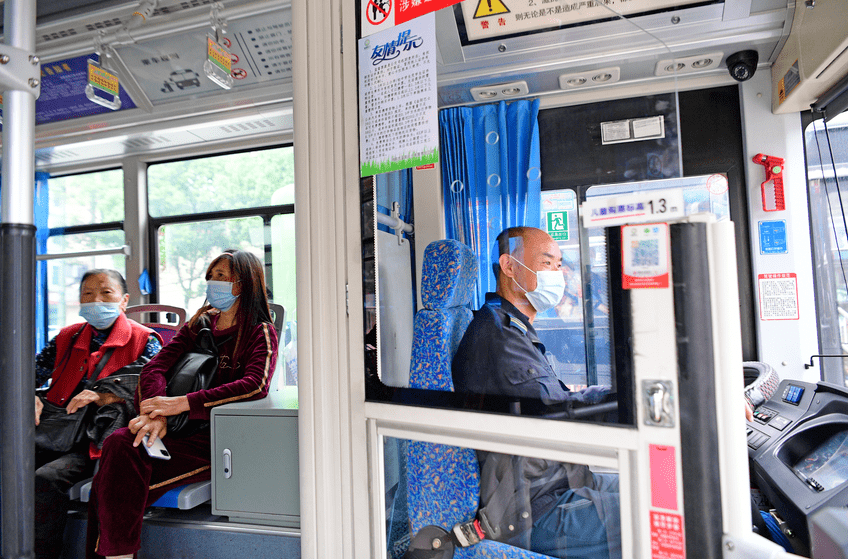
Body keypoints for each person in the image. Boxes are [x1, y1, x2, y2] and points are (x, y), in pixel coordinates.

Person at [86, 250, 278, 559]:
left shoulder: (260, 332)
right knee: (119, 443)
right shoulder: (199, 324)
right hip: (174, 427)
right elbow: (155, 368)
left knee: (108, 484)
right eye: (211, 276)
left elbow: (255, 384)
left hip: (215, 438)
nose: (212, 283)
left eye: (222, 277)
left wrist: (183, 404)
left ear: (244, 284)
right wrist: (155, 413)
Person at [452, 226, 619, 559]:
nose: (558, 274)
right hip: (533, 507)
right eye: (547, 263)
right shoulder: (497, 338)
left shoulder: (514, 329)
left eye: (559, 265)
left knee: (666, 485)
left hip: (554, 481)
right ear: (510, 266)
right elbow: (560, 412)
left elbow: (558, 403)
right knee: (672, 513)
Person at [34, 269, 163, 559]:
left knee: (44, 478)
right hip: (55, 429)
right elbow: (27, 375)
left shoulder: (146, 340)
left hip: (97, 439)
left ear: (124, 300)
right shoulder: (66, 338)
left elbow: (152, 388)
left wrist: (105, 394)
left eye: (106, 293)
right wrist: (30, 396)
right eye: (87, 294)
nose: (96, 300)